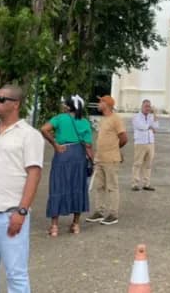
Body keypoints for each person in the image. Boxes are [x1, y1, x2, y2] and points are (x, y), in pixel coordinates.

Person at [0, 85, 44, 293]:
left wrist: (22, 210)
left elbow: (34, 174)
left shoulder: (29, 135)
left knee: (16, 274)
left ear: (16, 104)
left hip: (9, 213)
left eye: (2, 99)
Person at [40, 95, 94, 235]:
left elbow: (44, 129)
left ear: (69, 106)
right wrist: (93, 161)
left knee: (58, 185)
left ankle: (54, 227)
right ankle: (75, 225)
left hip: (62, 153)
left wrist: (55, 144)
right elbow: (88, 145)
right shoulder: (84, 122)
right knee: (78, 186)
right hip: (79, 155)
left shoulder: (60, 118)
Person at [87, 95, 127, 226]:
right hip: (100, 158)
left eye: (101, 101)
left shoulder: (116, 119)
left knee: (112, 186)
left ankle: (113, 213)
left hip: (111, 158)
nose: (99, 103)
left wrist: (115, 149)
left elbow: (123, 138)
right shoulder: (104, 119)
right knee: (99, 186)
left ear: (107, 104)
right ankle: (99, 211)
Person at [131, 99, 158, 191]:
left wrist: (155, 115)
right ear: (142, 107)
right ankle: (135, 183)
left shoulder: (151, 116)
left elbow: (156, 127)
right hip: (140, 142)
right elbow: (141, 126)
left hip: (150, 142)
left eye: (149, 106)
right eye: (146, 106)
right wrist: (150, 127)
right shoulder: (136, 116)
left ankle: (147, 183)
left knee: (148, 164)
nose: (148, 108)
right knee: (137, 163)